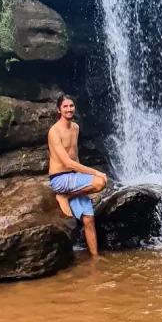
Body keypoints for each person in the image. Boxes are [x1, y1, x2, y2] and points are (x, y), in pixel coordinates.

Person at [48, 94, 107, 257]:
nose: (69, 109)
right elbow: (67, 162)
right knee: (99, 182)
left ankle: (95, 258)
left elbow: (75, 157)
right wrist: (95, 172)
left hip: (74, 178)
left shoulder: (75, 128)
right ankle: (65, 196)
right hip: (60, 179)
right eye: (65, 107)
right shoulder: (54, 131)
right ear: (59, 110)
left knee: (88, 219)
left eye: (71, 106)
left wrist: (82, 176)